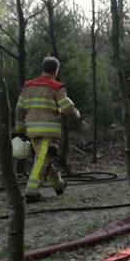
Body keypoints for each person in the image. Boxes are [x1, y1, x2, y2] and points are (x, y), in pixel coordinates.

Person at [14, 57, 81, 203]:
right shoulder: (55, 86)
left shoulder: (28, 86)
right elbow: (67, 107)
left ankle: (58, 184)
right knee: (42, 159)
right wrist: (76, 114)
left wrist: (19, 129)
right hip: (49, 132)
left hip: (31, 131)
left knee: (43, 158)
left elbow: (19, 109)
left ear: (43, 68)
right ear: (56, 70)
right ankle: (31, 190)